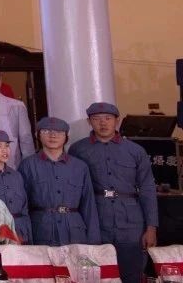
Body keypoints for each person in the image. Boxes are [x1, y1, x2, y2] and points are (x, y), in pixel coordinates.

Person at [68, 102, 158, 283]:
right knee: (95, 274)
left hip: (131, 223)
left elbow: (147, 189)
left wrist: (151, 227)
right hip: (95, 220)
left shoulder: (135, 151)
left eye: (108, 118)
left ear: (117, 121)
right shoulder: (78, 150)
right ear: (89, 122)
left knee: (131, 273)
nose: (103, 123)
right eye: (96, 119)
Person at [19, 117, 99, 246]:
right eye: (46, 131)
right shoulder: (27, 165)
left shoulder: (80, 167)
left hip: (74, 231)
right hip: (41, 231)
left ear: (66, 136)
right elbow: (22, 205)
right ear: (37, 135)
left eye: (59, 132)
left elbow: (89, 205)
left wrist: (93, 241)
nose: (53, 135)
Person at [0, 129, 30, 243]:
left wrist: (27, 234)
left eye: (7, 146)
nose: (4, 150)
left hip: (20, 232)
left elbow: (25, 209)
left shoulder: (16, 175)